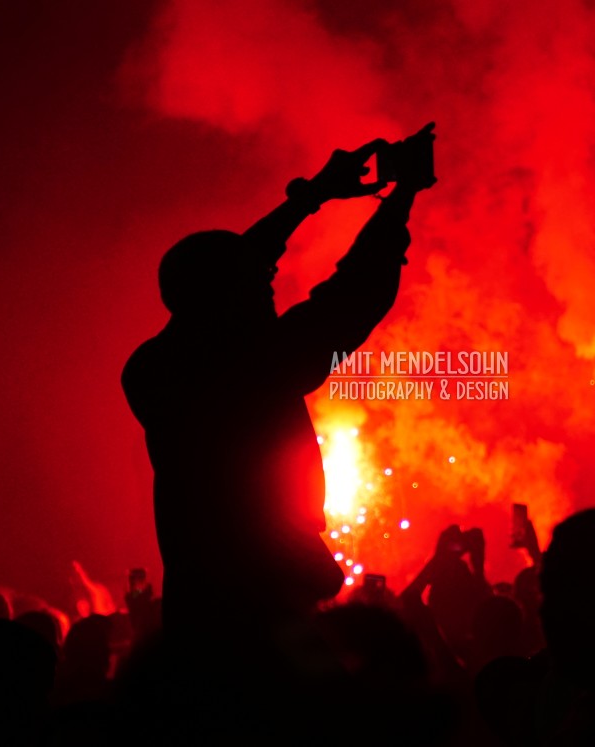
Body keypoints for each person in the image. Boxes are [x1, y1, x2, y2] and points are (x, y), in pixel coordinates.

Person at [121, 124, 436, 640]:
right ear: (231, 298)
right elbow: (351, 298)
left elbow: (230, 270)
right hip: (258, 621)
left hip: (197, 608)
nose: (269, 291)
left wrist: (314, 195)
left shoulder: (152, 367)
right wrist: (401, 198)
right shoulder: (255, 370)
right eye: (261, 287)